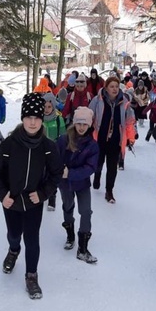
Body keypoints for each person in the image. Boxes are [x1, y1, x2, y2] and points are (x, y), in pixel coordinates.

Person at [0, 93, 63, 299]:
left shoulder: (48, 147)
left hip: (33, 202)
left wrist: (43, 194)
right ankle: (13, 250)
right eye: (29, 117)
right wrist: (3, 195)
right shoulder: (9, 144)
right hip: (11, 201)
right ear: (22, 118)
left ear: (42, 119)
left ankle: (31, 275)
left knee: (32, 239)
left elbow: (56, 173)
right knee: (14, 235)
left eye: (37, 118)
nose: (33, 122)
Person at [56, 106, 100, 264]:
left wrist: (71, 173)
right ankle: (70, 235)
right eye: (79, 124)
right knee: (68, 207)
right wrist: (60, 171)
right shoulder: (63, 140)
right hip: (64, 183)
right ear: (74, 123)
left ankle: (83, 247)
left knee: (86, 211)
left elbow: (91, 167)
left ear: (89, 125)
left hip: (82, 183)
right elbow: (55, 159)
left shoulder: (92, 145)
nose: (81, 127)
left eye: (85, 124)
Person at [88, 76, 136, 203]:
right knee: (98, 163)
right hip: (99, 139)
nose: (114, 89)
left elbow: (129, 121)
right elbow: (89, 116)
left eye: (116, 86)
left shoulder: (124, 101)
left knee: (112, 167)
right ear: (106, 88)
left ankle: (109, 191)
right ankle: (97, 176)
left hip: (116, 140)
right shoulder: (97, 100)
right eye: (111, 86)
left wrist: (131, 137)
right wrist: (85, 132)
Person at [42, 92, 67, 211]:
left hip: (54, 151)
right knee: (41, 173)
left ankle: (52, 196)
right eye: (44, 106)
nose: (46, 109)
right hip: (40, 151)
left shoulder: (58, 119)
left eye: (49, 107)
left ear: (53, 107)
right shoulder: (37, 118)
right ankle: (41, 193)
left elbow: (63, 137)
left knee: (52, 174)